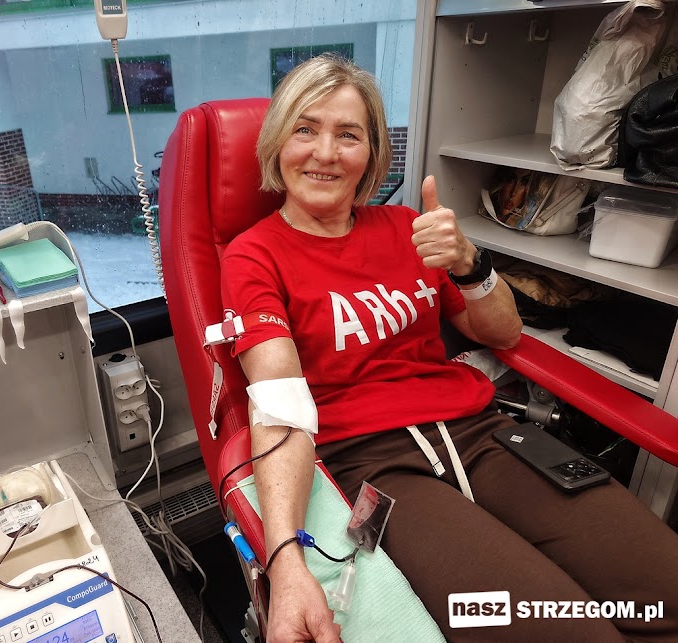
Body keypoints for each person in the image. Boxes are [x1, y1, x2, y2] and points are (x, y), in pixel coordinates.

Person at [219, 54, 678, 642]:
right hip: (372, 465)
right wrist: (285, 562)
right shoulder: (254, 255)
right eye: (305, 129)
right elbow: (279, 406)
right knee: (570, 630)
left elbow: (504, 334)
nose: (326, 153)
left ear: (372, 153)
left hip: (482, 435)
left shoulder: (406, 227)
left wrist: (469, 264)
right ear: (278, 143)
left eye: (348, 135)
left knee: (663, 592)